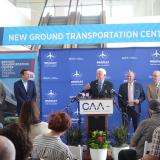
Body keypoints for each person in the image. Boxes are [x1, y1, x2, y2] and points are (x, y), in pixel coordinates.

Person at [83, 68, 114, 132]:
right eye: (97, 74)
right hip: (93, 109)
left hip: (104, 109)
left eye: (99, 74)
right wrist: (85, 90)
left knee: (102, 126)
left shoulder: (109, 84)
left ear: (104, 75)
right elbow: (87, 94)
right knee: (93, 126)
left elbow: (112, 96)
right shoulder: (93, 83)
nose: (97, 75)